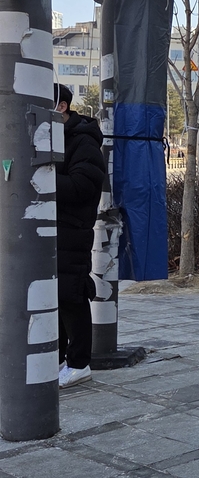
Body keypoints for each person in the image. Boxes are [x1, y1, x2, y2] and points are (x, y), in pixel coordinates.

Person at [55, 84, 106, 389]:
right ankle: (60, 357)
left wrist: (42, 175)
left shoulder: (83, 141)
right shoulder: (54, 137)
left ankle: (79, 363)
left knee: (71, 295)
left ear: (61, 107)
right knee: (54, 298)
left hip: (72, 229)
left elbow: (82, 186)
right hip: (47, 229)